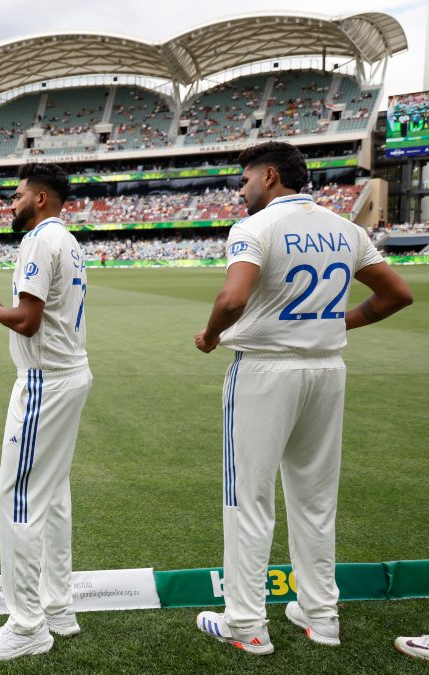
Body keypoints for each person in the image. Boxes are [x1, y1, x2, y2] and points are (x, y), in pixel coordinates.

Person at [193, 142, 413, 654]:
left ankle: (246, 624)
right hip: (326, 371)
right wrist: (338, 322)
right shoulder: (347, 229)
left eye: (245, 180)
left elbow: (233, 298)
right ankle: (321, 617)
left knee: (247, 499)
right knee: (315, 500)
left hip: (265, 371)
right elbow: (397, 295)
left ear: (270, 176)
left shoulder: (256, 227)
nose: (240, 190)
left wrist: (210, 336)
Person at [0, 162, 91, 661]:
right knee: (53, 495)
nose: (10, 204)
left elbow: (29, 322)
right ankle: (58, 607)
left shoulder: (38, 240)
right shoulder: (69, 240)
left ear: (39, 199)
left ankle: (27, 624)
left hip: (44, 381)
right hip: (70, 373)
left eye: (16, 196)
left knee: (16, 496)